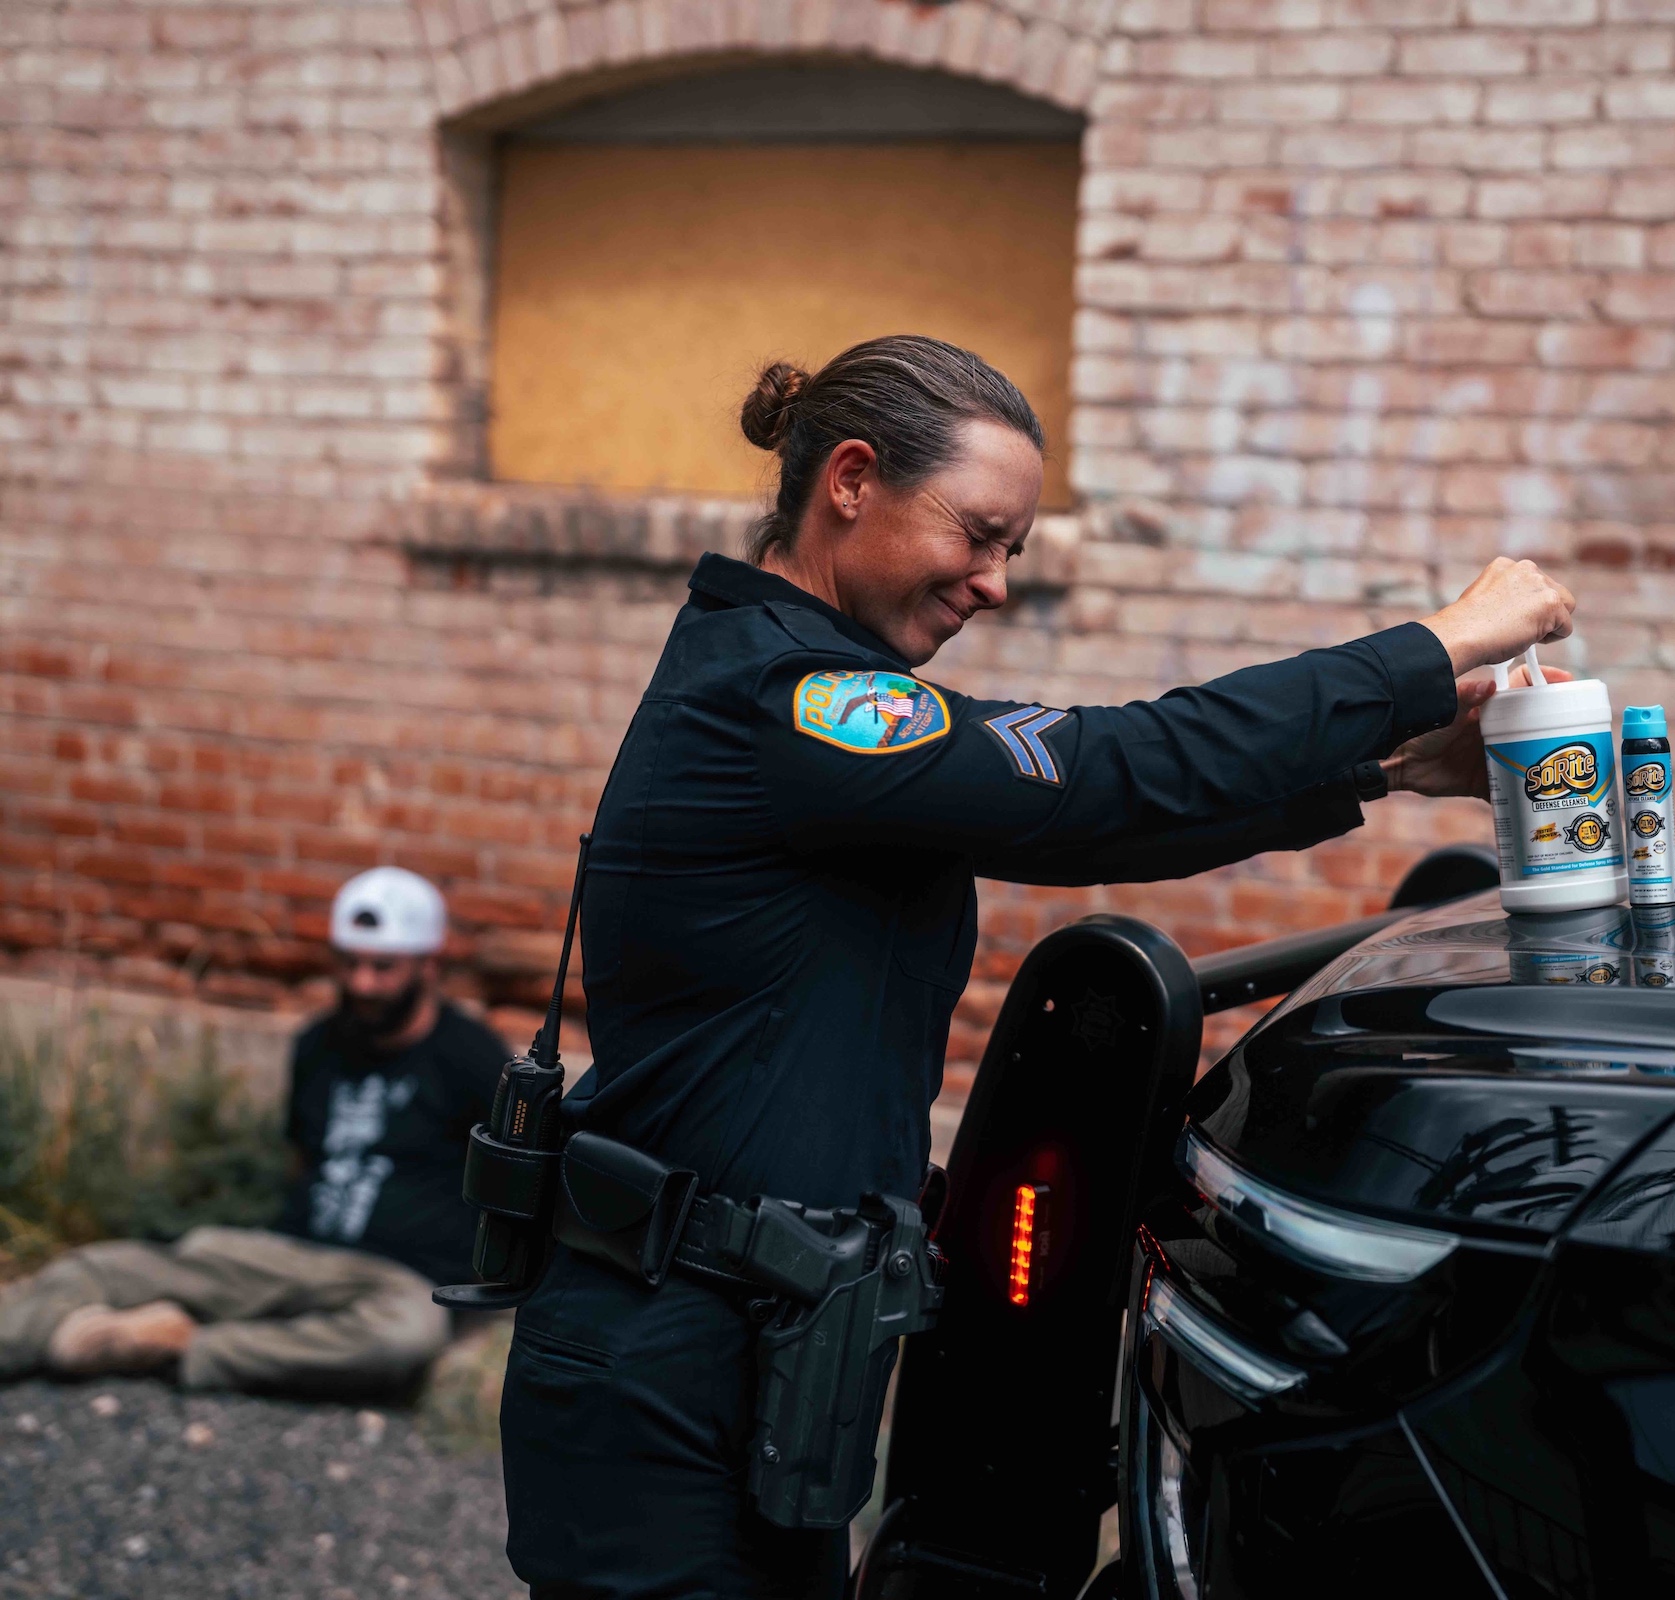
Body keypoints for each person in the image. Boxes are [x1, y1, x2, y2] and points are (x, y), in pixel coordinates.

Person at [499, 335, 1576, 1599]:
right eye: (980, 533)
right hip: (658, 1359)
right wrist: (1433, 643)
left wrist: (1385, 769)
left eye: (1013, 549)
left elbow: (1111, 819)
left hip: (773, 1348)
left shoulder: (821, 707)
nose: (995, 581)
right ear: (852, 479)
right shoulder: (787, 702)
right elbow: (1102, 774)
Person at [0, 867, 508, 1395]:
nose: (362, 984)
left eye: (383, 967)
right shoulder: (318, 1044)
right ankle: (35, 1338)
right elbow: (299, 1160)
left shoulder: (470, 1059)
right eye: (348, 963)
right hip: (287, 1255)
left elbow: (510, 1195)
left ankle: (182, 1344)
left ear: (429, 965)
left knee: (404, 1337)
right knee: (99, 1267)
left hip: (397, 1277)